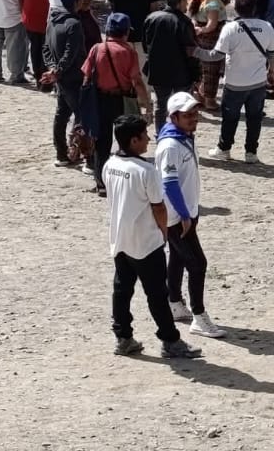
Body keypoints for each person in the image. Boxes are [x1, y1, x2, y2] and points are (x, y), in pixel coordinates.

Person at [102, 113, 202, 360]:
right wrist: (163, 232)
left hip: (120, 238)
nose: (149, 139)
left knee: (122, 290)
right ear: (134, 140)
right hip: (146, 241)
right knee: (157, 293)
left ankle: (123, 337)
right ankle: (170, 340)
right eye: (144, 136)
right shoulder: (146, 171)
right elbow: (159, 207)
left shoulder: (109, 164)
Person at [155, 92, 227, 340]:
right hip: (177, 216)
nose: (193, 119)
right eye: (187, 115)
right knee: (198, 264)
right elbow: (169, 183)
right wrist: (185, 214)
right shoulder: (170, 145)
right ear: (174, 116)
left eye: (195, 114)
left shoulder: (183, 137)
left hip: (187, 212)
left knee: (177, 257)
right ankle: (199, 316)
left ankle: (174, 301)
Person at [85, 13, 151, 196]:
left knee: (102, 142)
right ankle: (126, 181)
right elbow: (136, 80)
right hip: (123, 100)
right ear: (126, 32)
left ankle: (101, 184)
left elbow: (86, 75)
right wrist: (146, 103)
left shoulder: (96, 49)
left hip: (100, 100)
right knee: (128, 141)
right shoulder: (128, 52)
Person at [210, 0, 274, 163]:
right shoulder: (267, 26)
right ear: (254, 8)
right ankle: (251, 153)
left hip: (234, 83)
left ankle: (224, 149)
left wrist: (197, 52)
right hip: (258, 82)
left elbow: (217, 54)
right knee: (254, 119)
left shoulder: (230, 28)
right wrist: (272, 71)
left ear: (236, 9)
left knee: (230, 118)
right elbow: (273, 53)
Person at [44, 0, 92, 168]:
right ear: (77, 1)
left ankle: (61, 154)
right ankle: (84, 154)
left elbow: (46, 48)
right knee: (82, 117)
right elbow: (72, 52)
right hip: (74, 78)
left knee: (61, 115)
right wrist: (59, 69)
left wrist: (53, 69)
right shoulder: (74, 24)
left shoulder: (52, 20)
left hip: (61, 78)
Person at [107, 0, 163, 102]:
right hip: (141, 32)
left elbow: (111, 4)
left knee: (121, 66)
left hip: (119, 32)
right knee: (141, 68)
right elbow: (154, 9)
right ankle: (142, 98)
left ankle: (124, 94)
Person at [144, 0, 200, 107]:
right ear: (180, 3)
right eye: (186, 0)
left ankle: (160, 127)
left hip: (158, 71)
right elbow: (191, 51)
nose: (188, 4)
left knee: (160, 106)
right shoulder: (184, 22)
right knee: (181, 107)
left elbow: (146, 45)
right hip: (181, 73)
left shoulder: (151, 18)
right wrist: (197, 74)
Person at [189, 0, 227, 112]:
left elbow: (192, 18)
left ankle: (200, 95)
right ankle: (210, 100)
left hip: (199, 40)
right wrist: (203, 30)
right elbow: (212, 25)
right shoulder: (212, 2)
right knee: (212, 70)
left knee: (200, 69)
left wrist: (197, 30)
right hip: (212, 41)